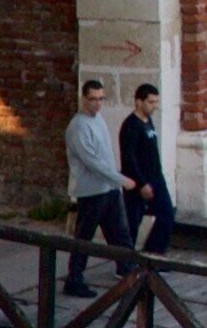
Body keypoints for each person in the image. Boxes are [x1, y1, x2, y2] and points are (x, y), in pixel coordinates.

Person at [62, 79, 127, 294]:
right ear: (84, 99)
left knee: (119, 233)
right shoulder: (78, 126)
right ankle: (74, 279)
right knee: (84, 238)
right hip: (91, 192)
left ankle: (127, 269)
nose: (98, 104)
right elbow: (92, 162)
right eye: (93, 99)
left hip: (108, 189)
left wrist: (115, 181)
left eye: (101, 99)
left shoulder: (98, 119)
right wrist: (120, 179)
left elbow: (106, 155)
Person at [119, 82, 176, 254]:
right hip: (138, 182)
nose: (154, 106)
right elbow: (129, 158)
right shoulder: (131, 126)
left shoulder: (148, 121)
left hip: (156, 178)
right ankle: (126, 259)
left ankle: (152, 254)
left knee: (167, 214)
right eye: (150, 102)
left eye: (156, 102)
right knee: (132, 222)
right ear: (139, 102)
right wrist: (142, 183)